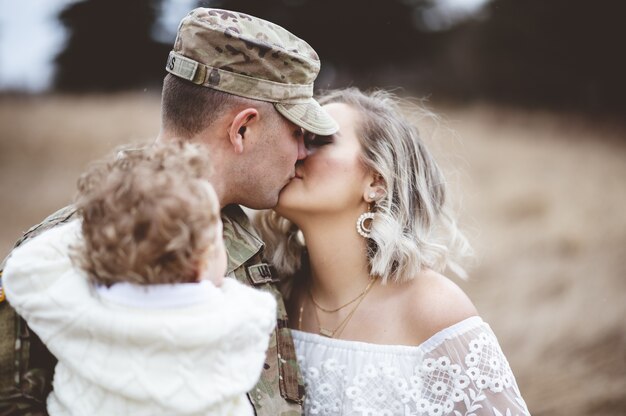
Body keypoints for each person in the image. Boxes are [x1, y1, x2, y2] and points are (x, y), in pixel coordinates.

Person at [0, 7, 337, 416]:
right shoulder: (68, 251)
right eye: (297, 132)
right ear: (242, 129)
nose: (304, 151)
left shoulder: (254, 236)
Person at [255, 88, 531, 415]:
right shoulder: (275, 297)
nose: (296, 151)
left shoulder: (433, 309)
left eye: (318, 139)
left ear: (377, 182)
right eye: (296, 135)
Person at [3, 143, 277, 416]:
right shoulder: (238, 317)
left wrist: (108, 227)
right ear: (203, 259)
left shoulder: (77, 306)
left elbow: (25, 266)